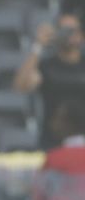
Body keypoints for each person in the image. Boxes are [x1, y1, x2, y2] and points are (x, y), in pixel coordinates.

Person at [14, 12, 85, 149]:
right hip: (52, 140)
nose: (69, 35)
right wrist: (38, 46)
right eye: (64, 30)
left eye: (73, 30)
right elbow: (21, 86)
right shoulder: (46, 66)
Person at [37, 100, 85, 200]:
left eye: (57, 118)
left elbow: (39, 198)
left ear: (69, 124)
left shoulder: (53, 158)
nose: (52, 123)